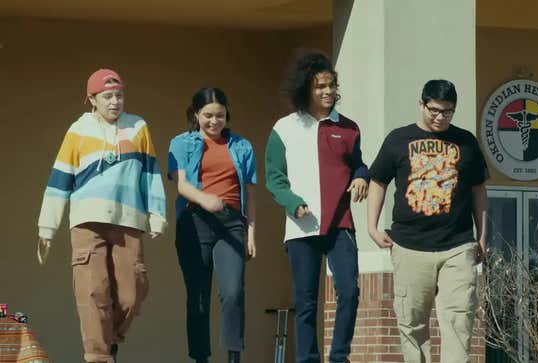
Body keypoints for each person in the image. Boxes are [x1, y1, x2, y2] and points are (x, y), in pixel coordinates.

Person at [37, 68, 167, 363]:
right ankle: (98, 355)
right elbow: (60, 179)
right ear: (92, 99)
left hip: (128, 220)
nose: (114, 102)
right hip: (86, 221)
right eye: (107, 96)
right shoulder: (78, 131)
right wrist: (47, 226)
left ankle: (109, 340)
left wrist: (157, 213)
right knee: (93, 290)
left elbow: (150, 173)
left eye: (119, 96)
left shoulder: (138, 127)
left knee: (132, 293)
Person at [367, 79, 488, 363]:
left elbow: (478, 190)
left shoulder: (466, 142)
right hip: (409, 245)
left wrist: (481, 237)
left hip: (457, 246)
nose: (440, 117)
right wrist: (372, 227)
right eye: (434, 110)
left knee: (459, 320)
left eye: (447, 111)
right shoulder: (398, 139)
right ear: (421, 104)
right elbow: (378, 182)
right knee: (411, 322)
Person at [265, 51, 368, 363]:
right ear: (305, 89)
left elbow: (358, 165)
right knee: (306, 300)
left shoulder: (349, 128)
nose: (328, 92)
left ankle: (339, 358)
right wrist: (292, 203)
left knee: (349, 292)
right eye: (320, 86)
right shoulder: (284, 128)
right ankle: (308, 359)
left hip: (340, 224)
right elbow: (274, 178)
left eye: (332, 85)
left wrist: (362, 177)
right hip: (302, 226)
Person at [168, 87, 257, 363]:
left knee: (233, 292)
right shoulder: (181, 143)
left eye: (220, 115)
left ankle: (233, 356)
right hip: (195, 222)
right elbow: (181, 184)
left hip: (231, 224)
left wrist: (251, 233)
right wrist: (205, 200)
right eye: (208, 115)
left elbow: (250, 193)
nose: (214, 121)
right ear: (196, 115)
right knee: (198, 296)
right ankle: (201, 358)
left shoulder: (242, 146)